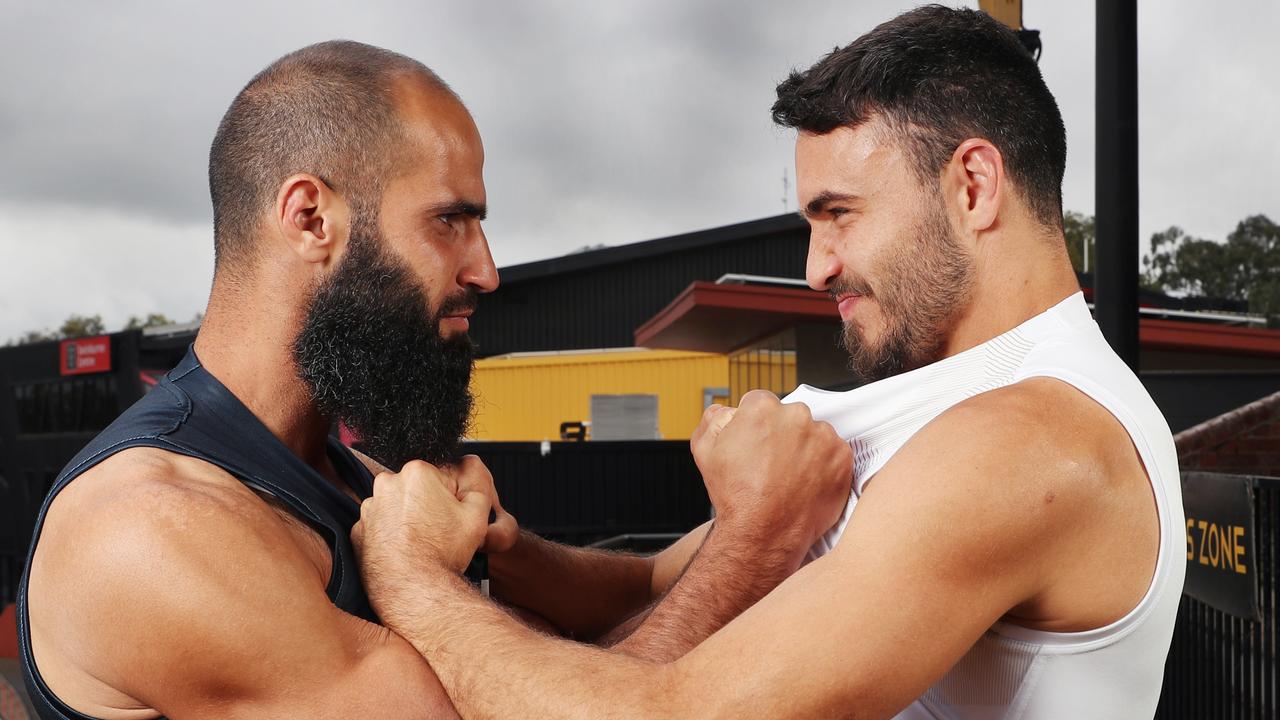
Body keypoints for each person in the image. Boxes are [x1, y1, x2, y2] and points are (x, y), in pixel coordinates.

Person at [352, 7, 1186, 719]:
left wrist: (412, 577)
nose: (818, 267)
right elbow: (649, 585)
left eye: (841, 215)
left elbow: (672, 712)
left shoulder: (1027, 442)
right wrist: (510, 550)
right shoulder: (945, 411)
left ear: (973, 186)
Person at [18, 41, 854, 719]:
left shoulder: (355, 483)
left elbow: (595, 638)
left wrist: (763, 508)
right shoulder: (153, 529)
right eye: (451, 220)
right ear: (312, 219)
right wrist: (757, 540)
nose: (487, 271)